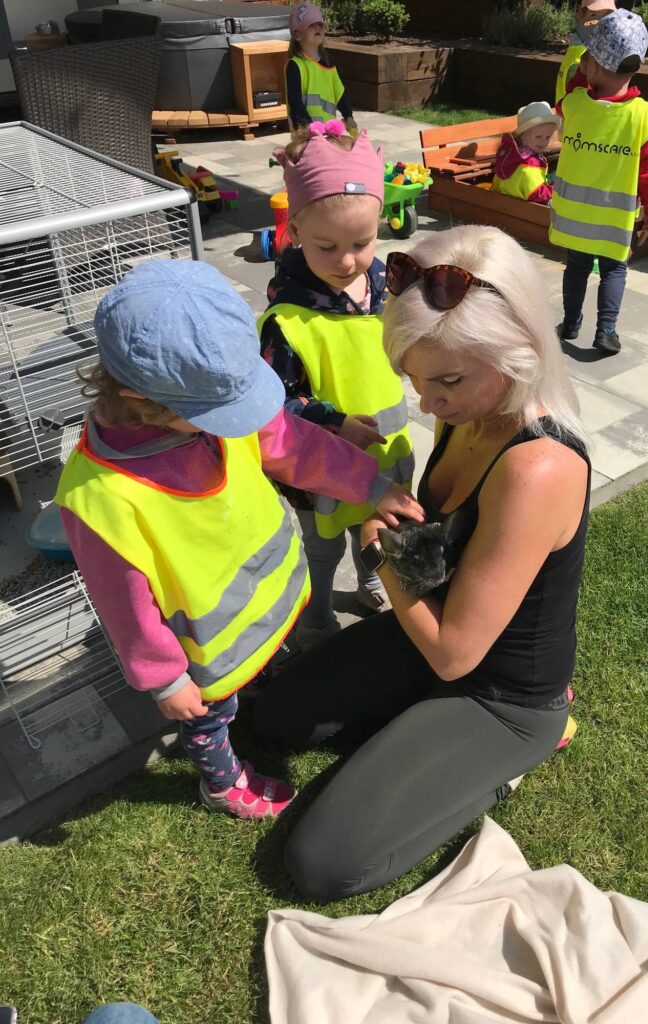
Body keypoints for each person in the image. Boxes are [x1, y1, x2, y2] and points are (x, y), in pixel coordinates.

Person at [252, 224, 591, 902]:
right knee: (269, 719)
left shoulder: (538, 467)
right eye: (414, 378)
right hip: (428, 629)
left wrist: (382, 556)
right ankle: (416, 727)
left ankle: (519, 754)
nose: (428, 403)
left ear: (519, 348)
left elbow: (455, 655)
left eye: (446, 382)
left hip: (499, 693)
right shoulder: (469, 406)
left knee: (321, 864)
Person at [55, 259, 421, 821]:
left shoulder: (198, 406)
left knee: (256, 668)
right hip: (203, 649)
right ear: (138, 398)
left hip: (265, 606)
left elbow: (294, 443)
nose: (242, 421)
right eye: (221, 413)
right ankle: (221, 782)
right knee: (210, 716)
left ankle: (258, 680)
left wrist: (371, 485)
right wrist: (164, 679)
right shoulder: (97, 498)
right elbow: (122, 603)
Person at [259, 121, 415, 647]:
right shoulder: (287, 318)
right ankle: (318, 615)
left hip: (388, 452)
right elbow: (274, 404)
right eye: (327, 246)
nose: (347, 261)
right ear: (296, 231)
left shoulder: (385, 288)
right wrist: (333, 421)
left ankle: (370, 581)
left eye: (362, 243)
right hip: (321, 465)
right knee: (323, 546)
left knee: (375, 528)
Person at [550, 7, 648, 356]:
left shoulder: (575, 105)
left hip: (575, 216)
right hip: (615, 218)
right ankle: (607, 331)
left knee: (577, 267)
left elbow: (565, 99)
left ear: (593, 66)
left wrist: (580, 73)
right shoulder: (644, 116)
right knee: (614, 270)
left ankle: (570, 323)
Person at [285, 2, 357, 134]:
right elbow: (294, 101)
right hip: (305, 134)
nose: (317, 27)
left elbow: (340, 93)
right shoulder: (295, 66)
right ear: (297, 35)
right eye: (311, 25)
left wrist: (348, 116)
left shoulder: (329, 63)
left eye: (320, 24)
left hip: (329, 132)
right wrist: (309, 126)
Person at [491, 102, 560, 204]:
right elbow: (536, 193)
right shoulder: (530, 163)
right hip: (523, 207)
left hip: (502, 202)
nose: (543, 141)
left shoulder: (511, 154)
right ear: (523, 135)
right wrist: (556, 190)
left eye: (547, 137)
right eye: (538, 137)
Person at [554, 0, 616, 105]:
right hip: (572, 110)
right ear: (582, 15)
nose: (600, 21)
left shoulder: (587, 39)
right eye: (593, 15)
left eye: (606, 15)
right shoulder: (583, 53)